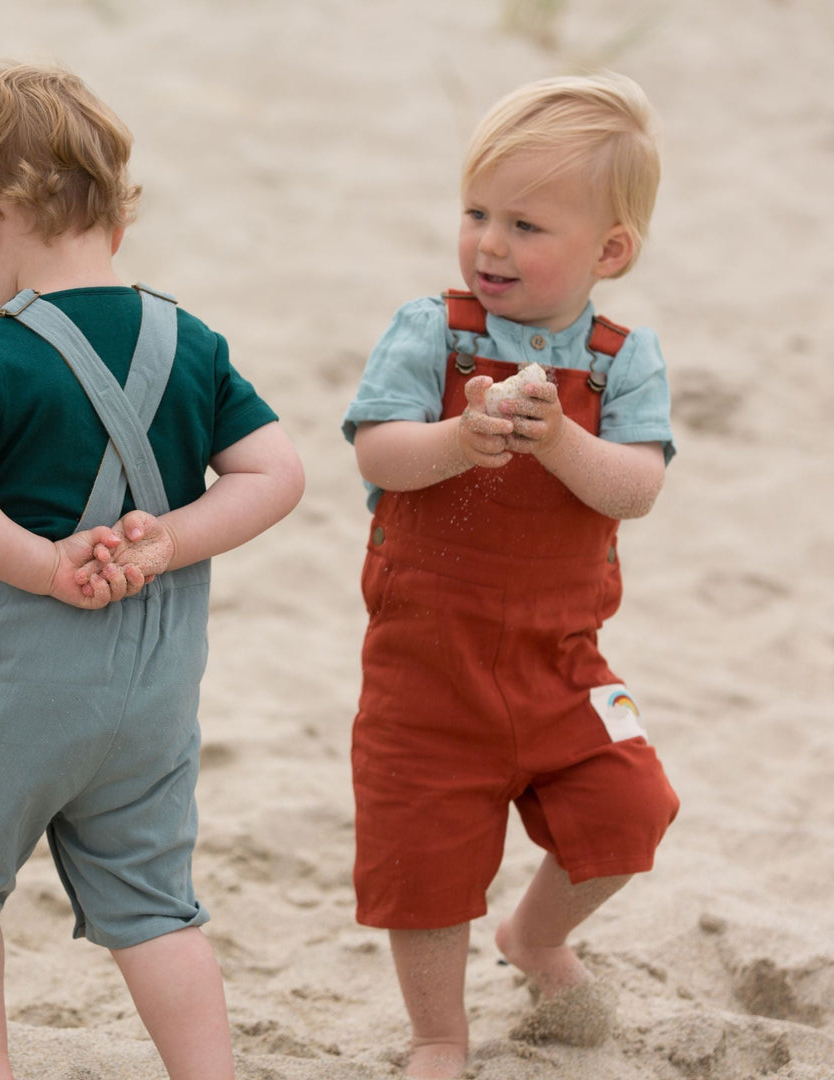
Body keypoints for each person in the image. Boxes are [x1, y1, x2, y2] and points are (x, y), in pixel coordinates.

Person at [0, 61, 304, 1080]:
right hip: (158, 681)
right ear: (113, 223)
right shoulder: (189, 339)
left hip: (26, 680)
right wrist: (170, 539)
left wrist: (40, 566)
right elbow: (277, 472)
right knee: (154, 904)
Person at [342, 72, 679, 1078]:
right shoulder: (431, 331)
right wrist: (459, 439)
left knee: (631, 806)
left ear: (608, 252)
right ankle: (437, 1033)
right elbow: (378, 452)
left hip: (561, 654)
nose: (489, 243)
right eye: (476, 213)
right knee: (427, 860)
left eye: (526, 225)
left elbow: (637, 486)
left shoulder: (624, 360)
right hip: (427, 663)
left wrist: (561, 443)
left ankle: (534, 936)